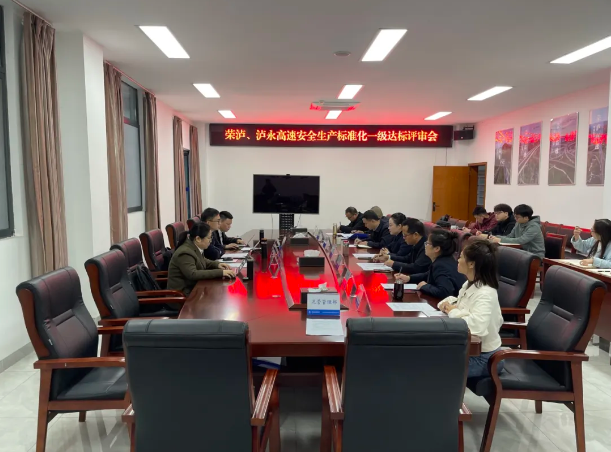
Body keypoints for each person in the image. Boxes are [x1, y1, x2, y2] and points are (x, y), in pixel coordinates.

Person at [438, 240, 504, 378]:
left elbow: (477, 326)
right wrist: (449, 306)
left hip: (485, 358)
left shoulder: (486, 293)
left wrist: (453, 311)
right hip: (467, 350)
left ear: (471, 264)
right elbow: (458, 303)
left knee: (432, 369)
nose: (458, 259)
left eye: (461, 256)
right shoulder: (470, 283)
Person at [396, 229, 466, 299]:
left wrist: (425, 286)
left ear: (437, 248)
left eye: (427, 243)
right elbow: (428, 274)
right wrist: (409, 278)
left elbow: (445, 292)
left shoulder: (441, 265)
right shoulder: (445, 260)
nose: (425, 246)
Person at [167, 223, 236, 295]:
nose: (210, 241)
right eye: (209, 238)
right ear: (198, 239)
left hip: (194, 288)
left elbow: (203, 260)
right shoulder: (185, 252)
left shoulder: (194, 246)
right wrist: (221, 272)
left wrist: (218, 264)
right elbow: (193, 274)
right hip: (182, 294)